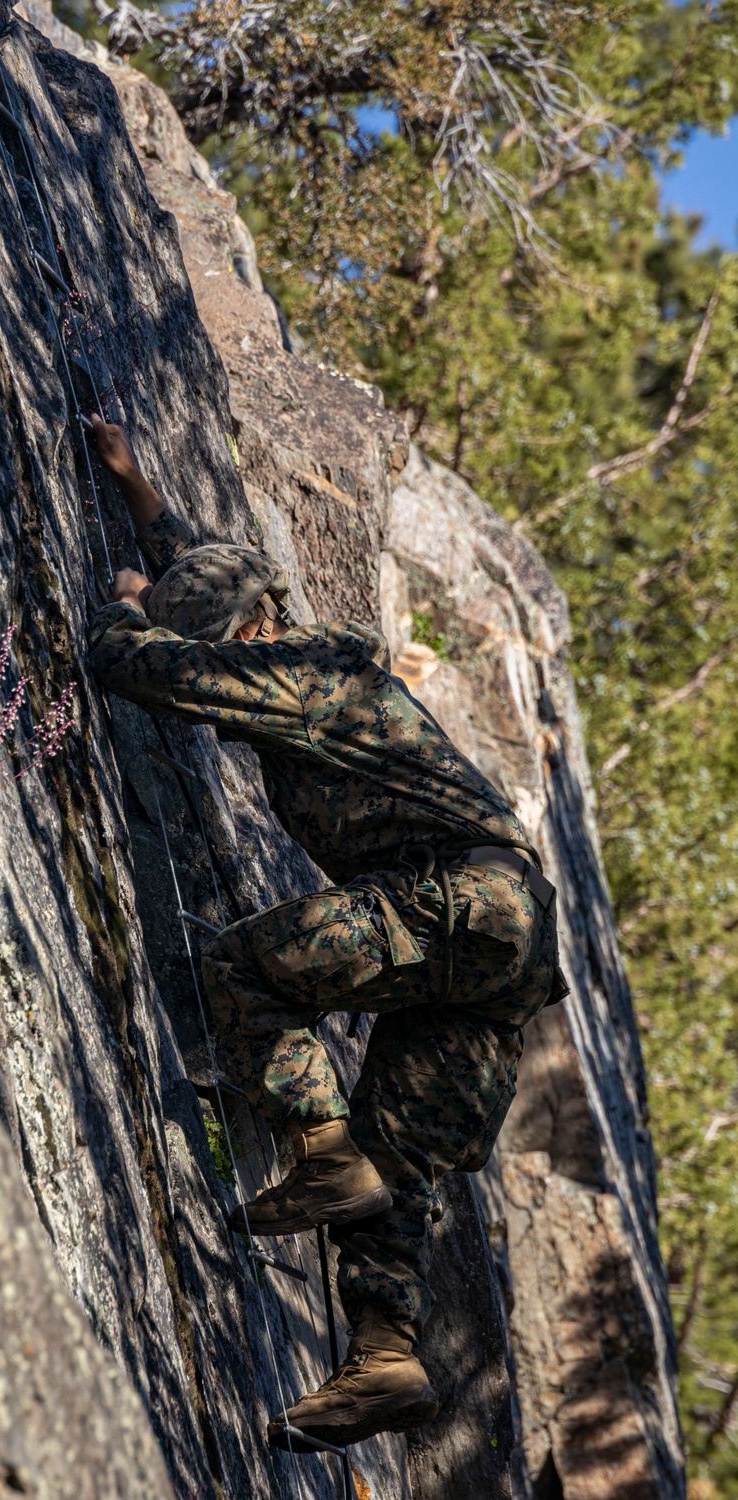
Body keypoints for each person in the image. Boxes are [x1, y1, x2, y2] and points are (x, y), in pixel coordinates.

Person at [86, 416, 566, 1450]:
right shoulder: (308, 655)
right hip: (503, 943)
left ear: (247, 634)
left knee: (248, 970)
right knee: (396, 1158)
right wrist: (137, 490)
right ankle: (385, 1359)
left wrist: (124, 617)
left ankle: (313, 1143)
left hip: (452, 903)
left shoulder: (303, 677)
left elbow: (153, 668)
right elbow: (211, 583)